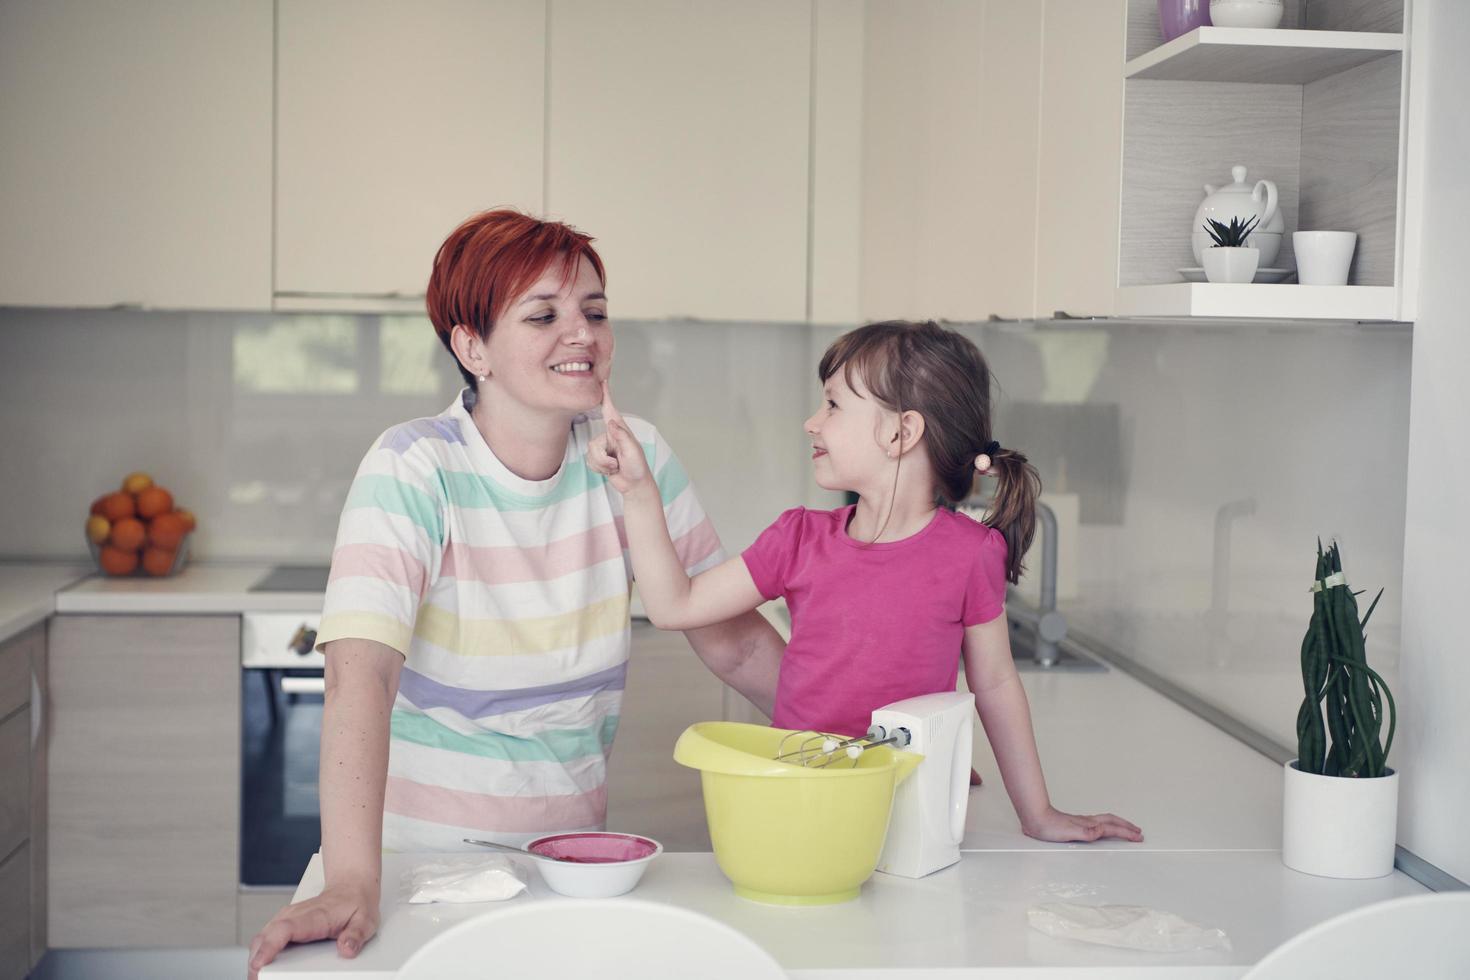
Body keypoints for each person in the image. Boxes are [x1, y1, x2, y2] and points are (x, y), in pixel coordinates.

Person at [247, 210, 786, 976]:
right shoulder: (414, 466)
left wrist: (859, 743)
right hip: (415, 875)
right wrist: (353, 881)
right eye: (544, 315)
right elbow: (359, 673)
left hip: (569, 865)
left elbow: (731, 636)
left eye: (594, 312)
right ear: (472, 347)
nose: (583, 334)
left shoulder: (635, 458)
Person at [589, 319, 1143, 845]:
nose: (812, 421)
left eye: (832, 404)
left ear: (901, 432)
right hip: (803, 795)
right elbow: (674, 605)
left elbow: (995, 685)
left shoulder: (972, 554)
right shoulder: (797, 539)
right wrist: (637, 491)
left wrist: (1036, 813)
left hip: (906, 805)